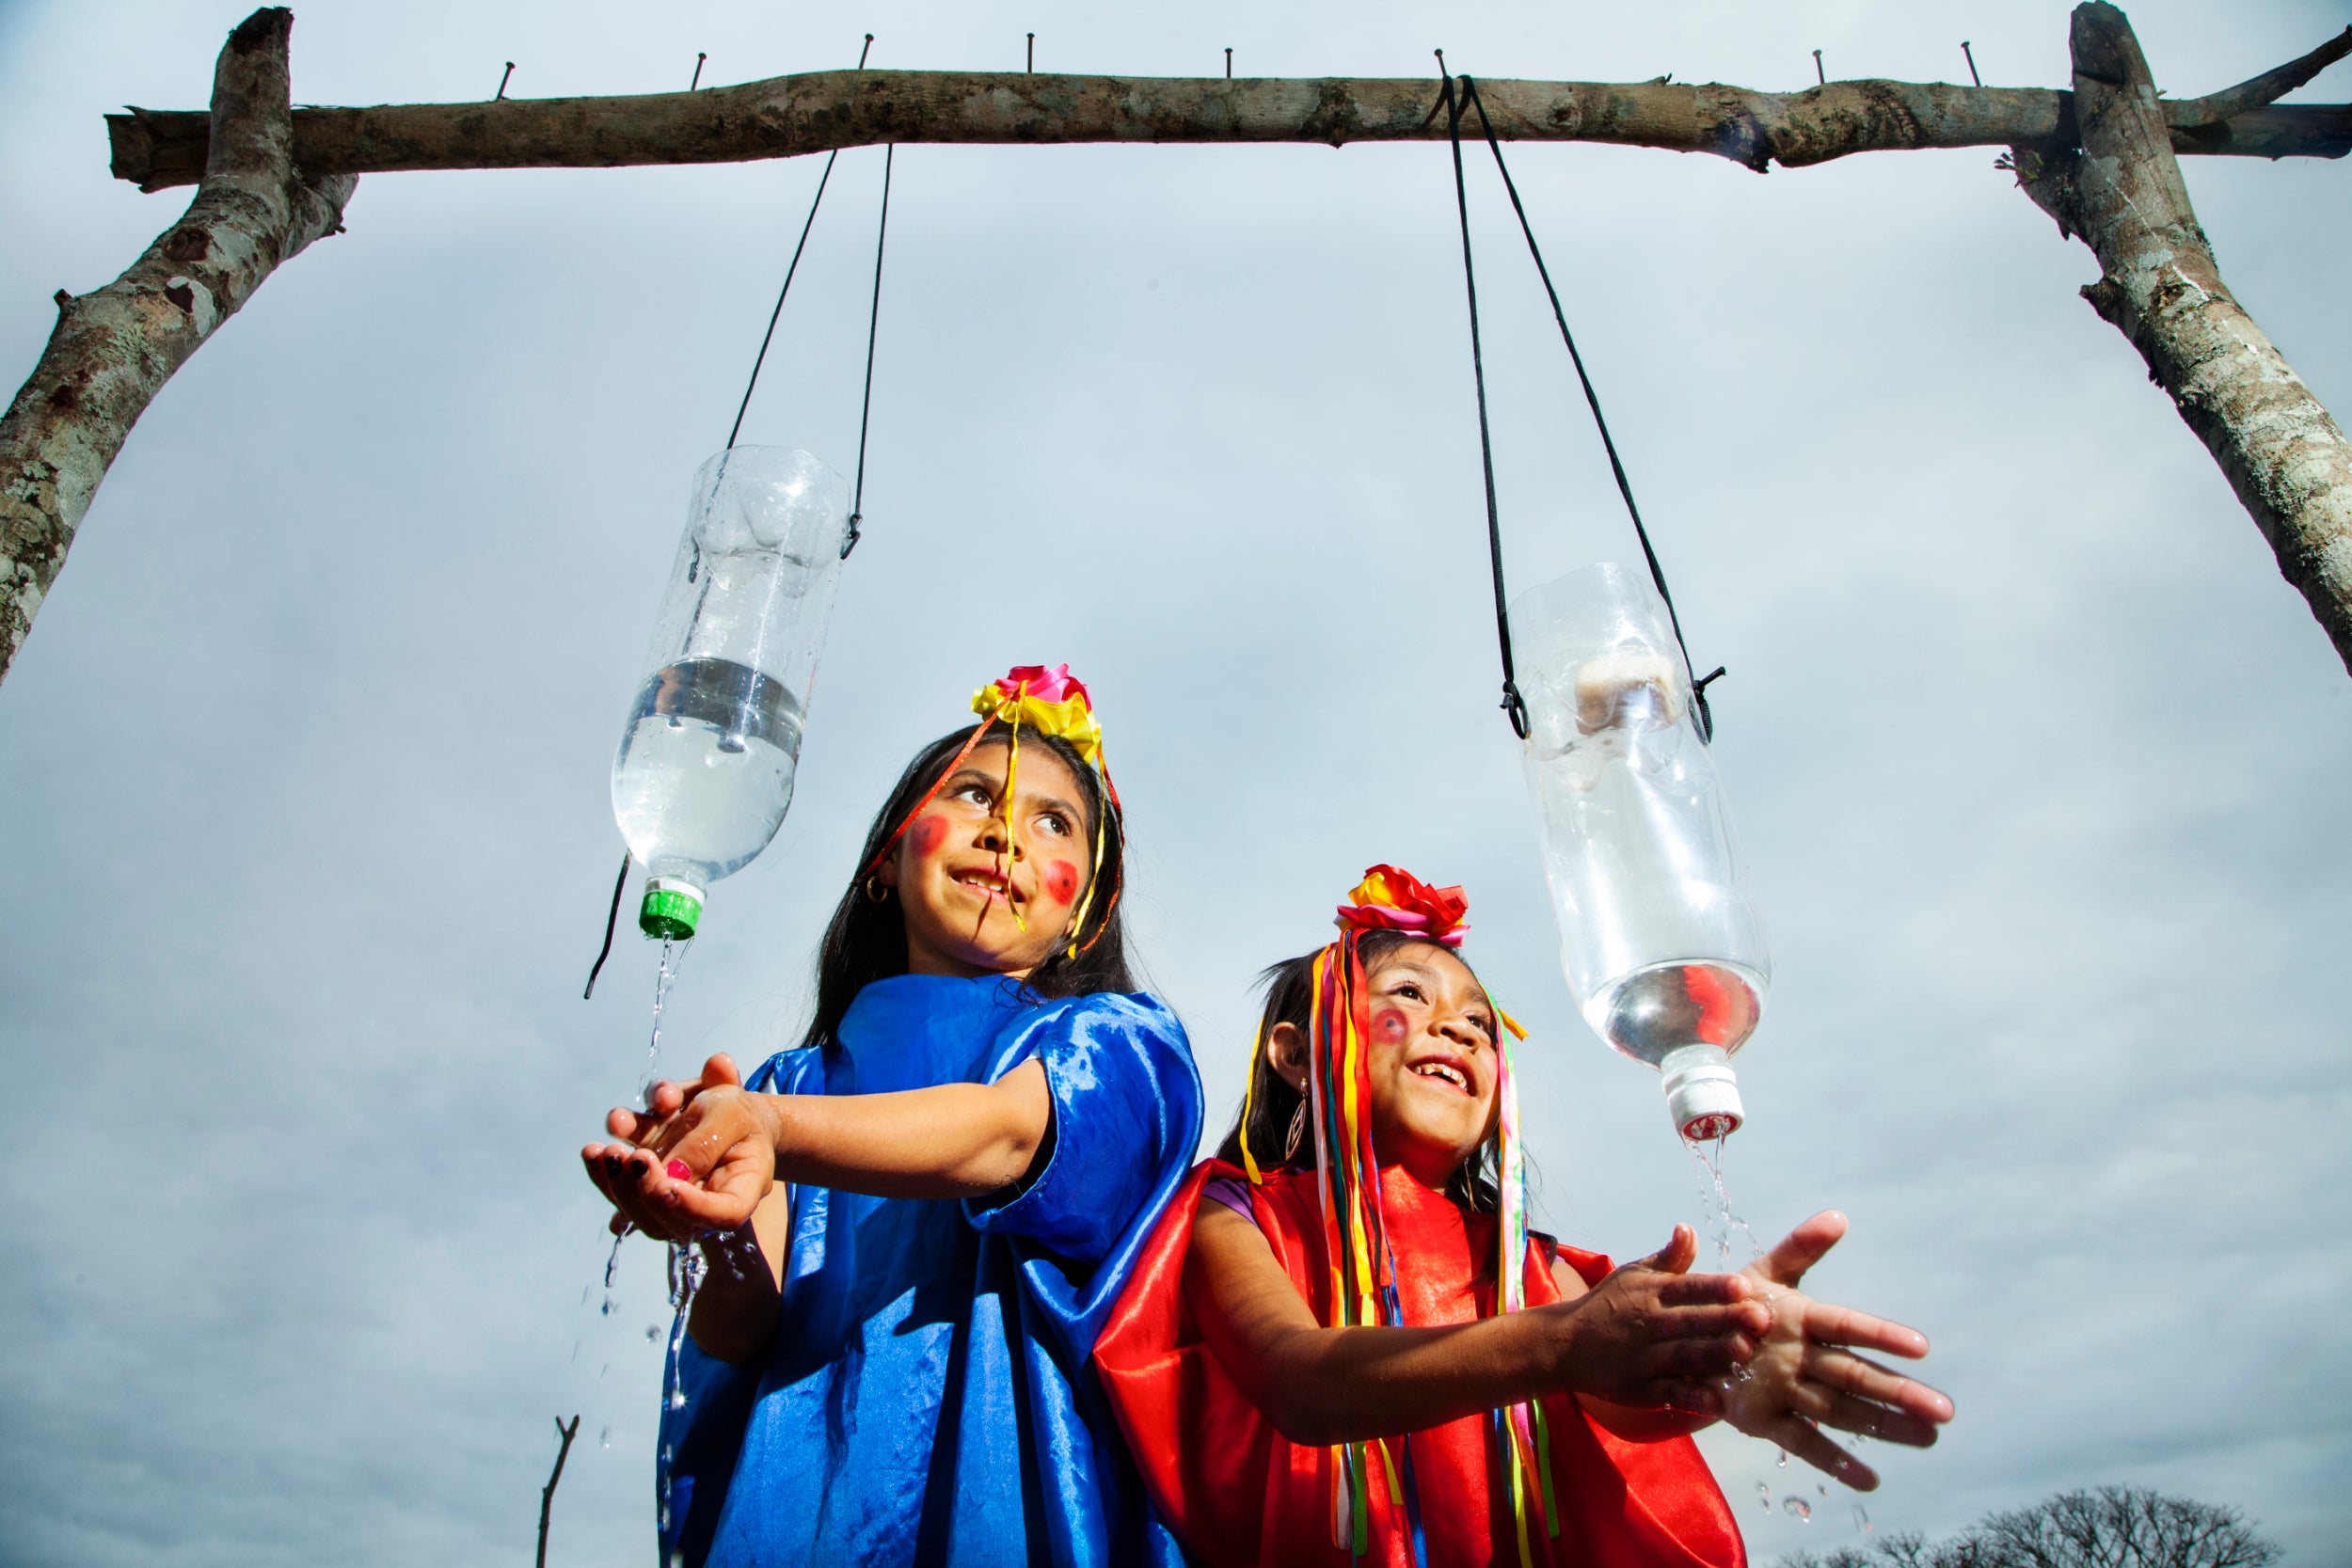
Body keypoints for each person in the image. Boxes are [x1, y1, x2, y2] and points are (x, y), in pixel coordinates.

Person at [1093, 866, 1954, 1568]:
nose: (1460, 1030)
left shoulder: (1531, 1265)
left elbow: (1618, 1404)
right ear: (1293, 1054)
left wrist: (1715, 1359)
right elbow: (1300, 1381)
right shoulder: (1236, 1211)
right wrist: (1559, 1341)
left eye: (1480, 1020)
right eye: (1409, 995)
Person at [583, 665, 1204, 1568]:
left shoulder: (1122, 1045)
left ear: (1086, 908)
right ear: (887, 857)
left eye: (1053, 822)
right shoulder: (789, 1082)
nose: (1004, 832)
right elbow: (740, 1330)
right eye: (974, 792)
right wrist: (709, 1223)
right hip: (802, 1514)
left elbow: (1006, 1134)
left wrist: (775, 1132)